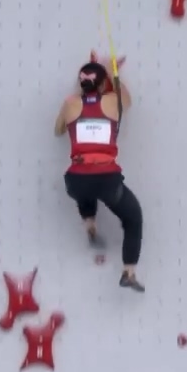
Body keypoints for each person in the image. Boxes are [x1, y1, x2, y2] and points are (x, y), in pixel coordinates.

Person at [53, 61, 145, 291]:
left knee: (85, 189)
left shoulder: (70, 104)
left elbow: (58, 131)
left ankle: (90, 223)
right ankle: (129, 272)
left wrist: (75, 115)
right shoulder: (113, 102)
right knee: (133, 218)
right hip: (106, 179)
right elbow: (127, 100)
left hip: (75, 180)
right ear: (103, 84)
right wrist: (113, 72)